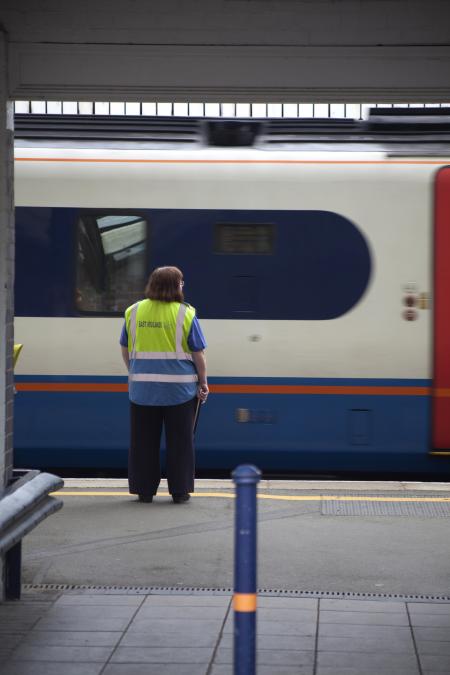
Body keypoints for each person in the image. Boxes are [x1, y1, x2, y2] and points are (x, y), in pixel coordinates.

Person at [120, 266, 208, 504]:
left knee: (142, 442)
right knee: (180, 442)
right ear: (175, 286)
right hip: (179, 391)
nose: (183, 286)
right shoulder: (185, 314)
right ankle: (179, 491)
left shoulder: (133, 311)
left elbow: (125, 347)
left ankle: (144, 490)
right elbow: (197, 352)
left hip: (142, 390)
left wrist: (135, 372)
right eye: (181, 282)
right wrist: (203, 382)